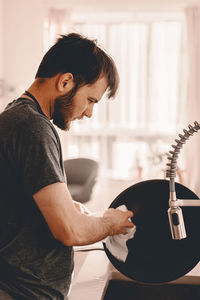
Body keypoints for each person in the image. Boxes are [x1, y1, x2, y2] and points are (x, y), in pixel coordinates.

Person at [0, 33, 134, 299]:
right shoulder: (33, 127)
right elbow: (68, 230)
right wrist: (110, 223)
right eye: (91, 100)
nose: (88, 112)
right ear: (65, 82)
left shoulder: (17, 117)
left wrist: (64, 207)